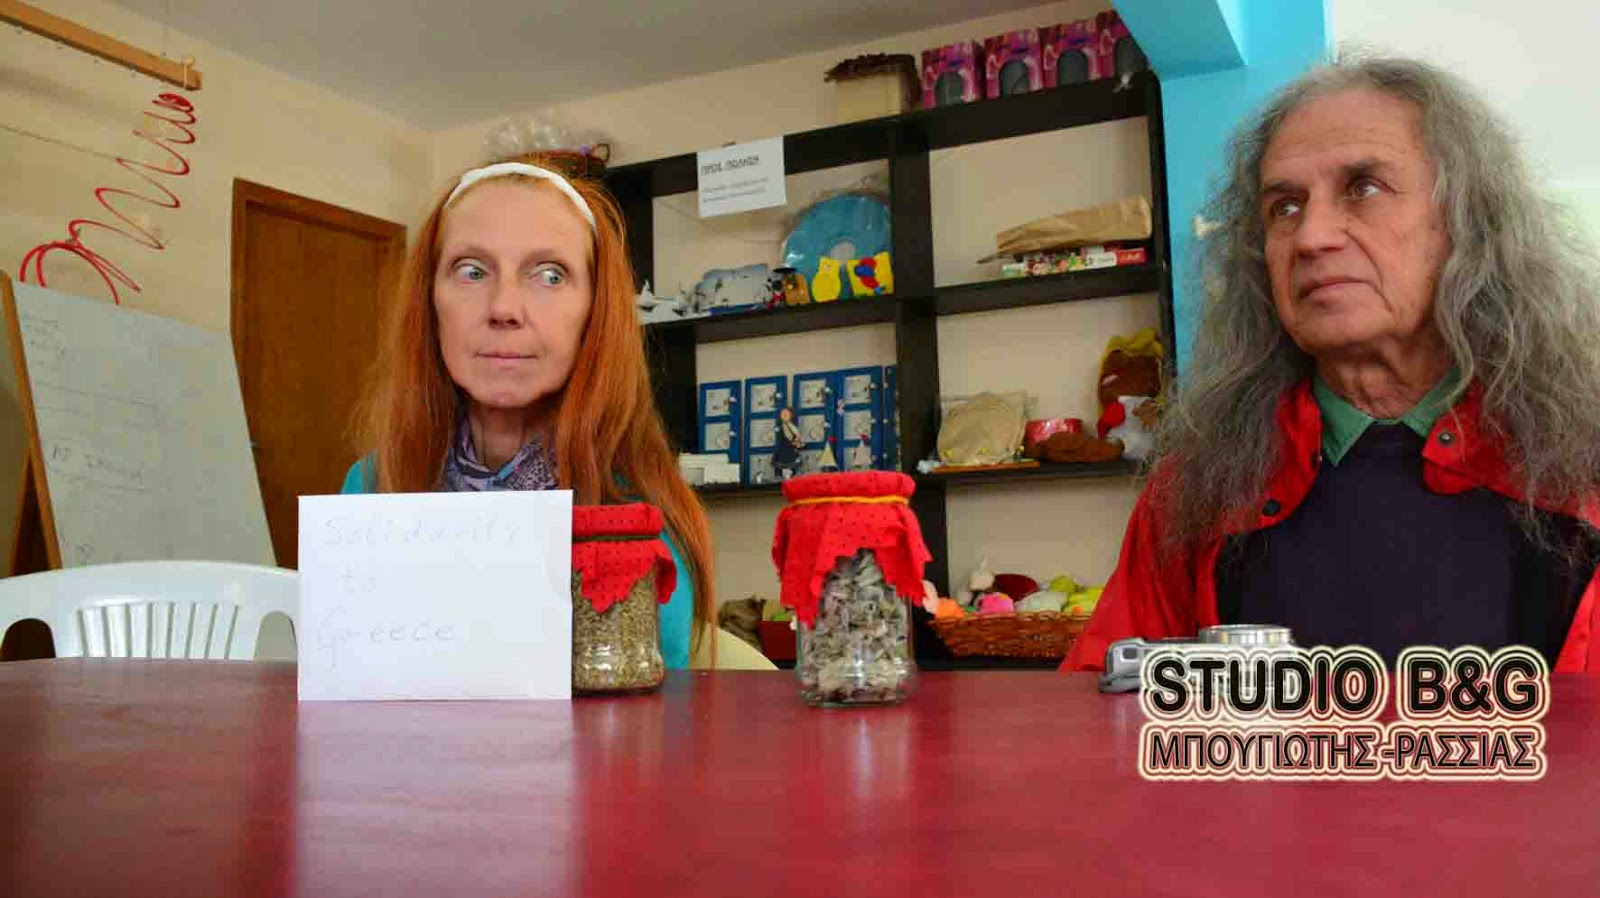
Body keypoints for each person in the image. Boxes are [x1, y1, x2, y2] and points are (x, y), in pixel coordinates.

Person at [1065, 55, 1600, 672]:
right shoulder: (1196, 490)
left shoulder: (1578, 466)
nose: (1312, 236)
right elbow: (1107, 706)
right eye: (1285, 207)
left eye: (1363, 188)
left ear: (1467, 226)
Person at [342, 156, 714, 669]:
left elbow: (647, 710)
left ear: (596, 310)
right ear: (429, 302)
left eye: (550, 275)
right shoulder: (370, 486)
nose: (504, 308)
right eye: (472, 271)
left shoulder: (638, 512)